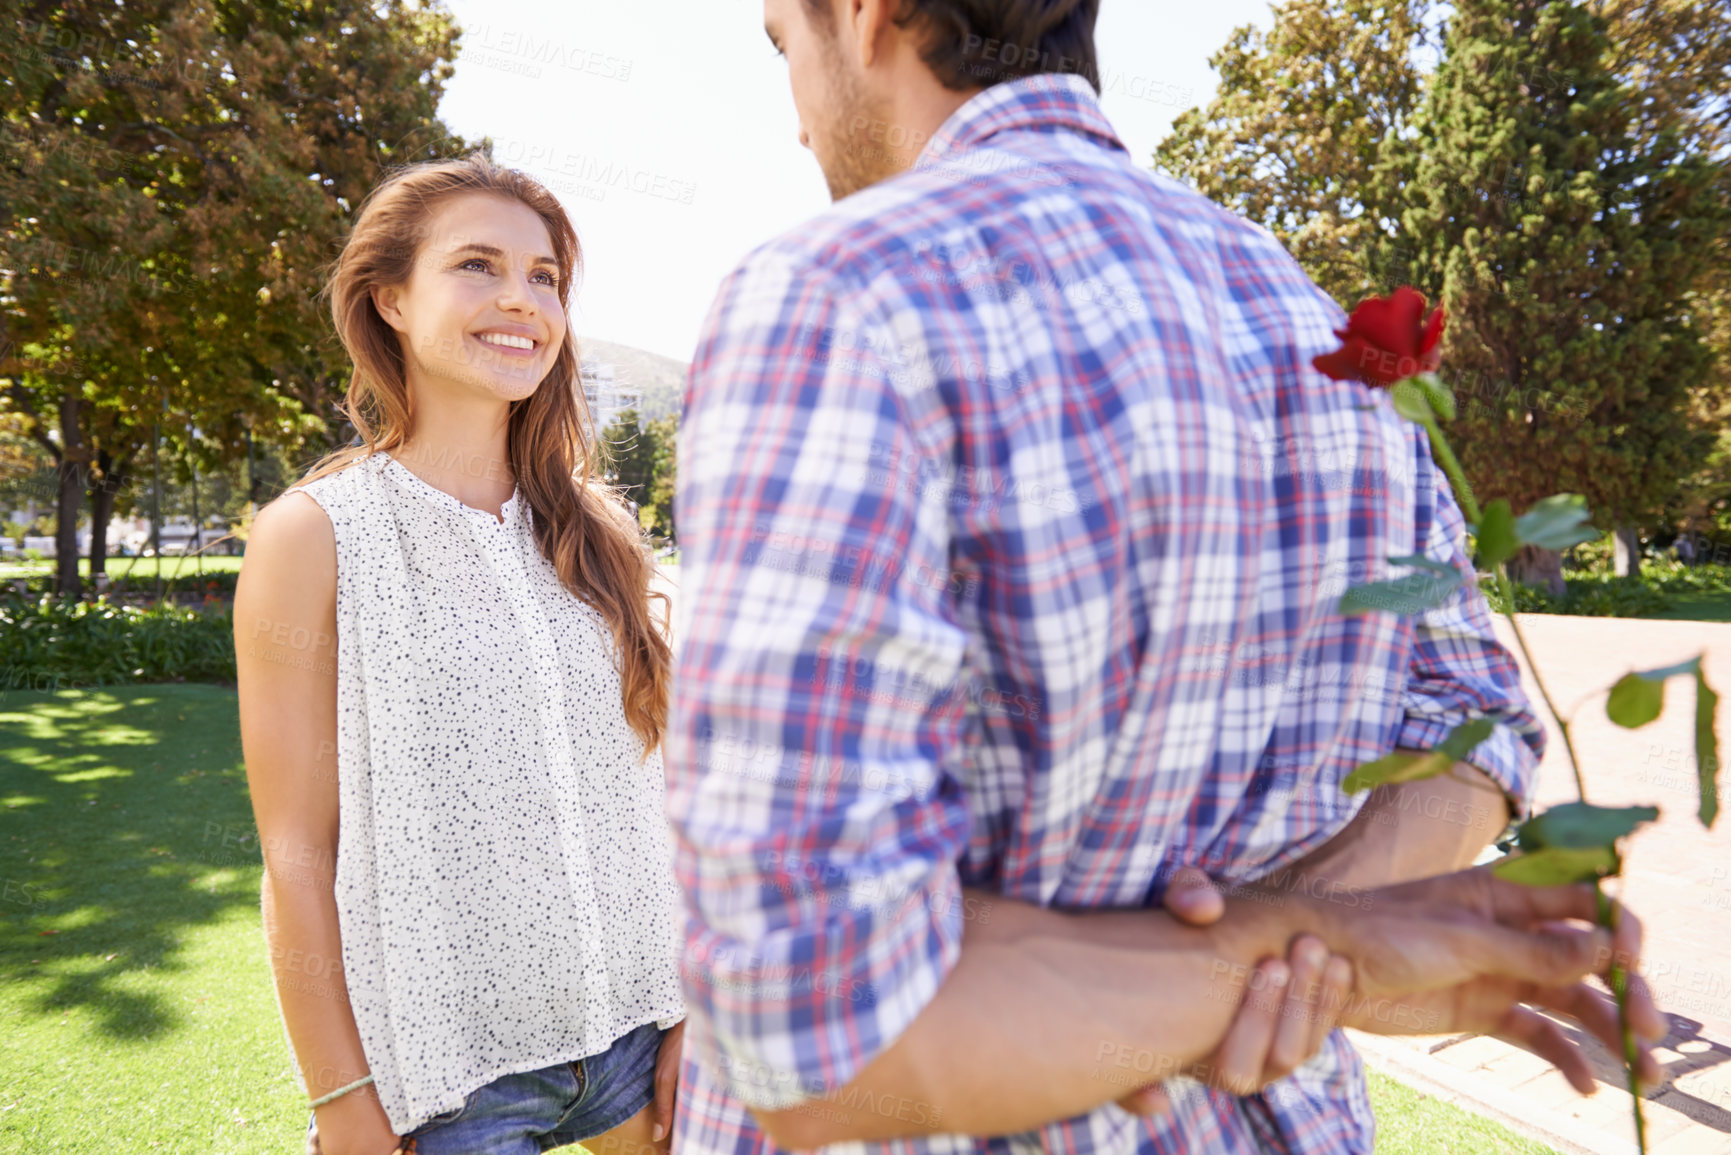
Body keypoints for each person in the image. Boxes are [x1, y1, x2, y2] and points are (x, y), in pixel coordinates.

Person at [663, 2, 1667, 1153]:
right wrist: (1310, 946)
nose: (795, 122)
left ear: (864, 17)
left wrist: (1262, 952)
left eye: (783, 42)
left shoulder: (837, 295)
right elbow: (1473, 725)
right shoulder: (1313, 320)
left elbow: (814, 1035)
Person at [234, 155, 685, 1155]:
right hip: (448, 1076)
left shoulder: (598, 526)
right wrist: (341, 1096)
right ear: (389, 297)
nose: (521, 300)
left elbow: (659, 790)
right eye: (477, 265)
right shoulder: (313, 536)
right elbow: (297, 855)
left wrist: (695, 1005)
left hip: (644, 1032)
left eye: (545, 277)